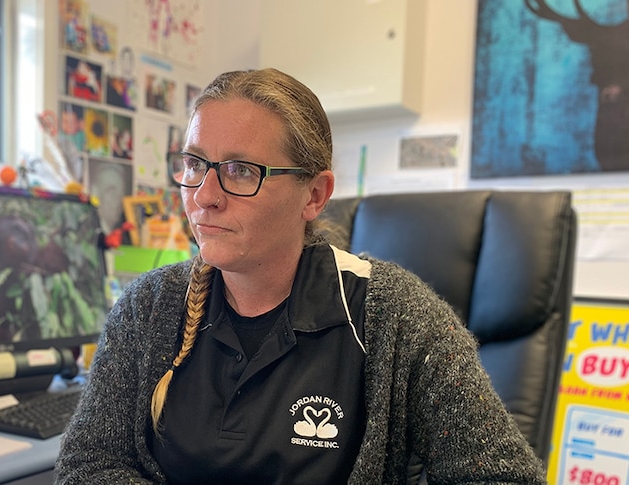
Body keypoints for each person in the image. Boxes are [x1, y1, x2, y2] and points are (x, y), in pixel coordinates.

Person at [55, 68, 548, 484]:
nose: (204, 194)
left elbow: (502, 475)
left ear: (314, 195)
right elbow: (87, 464)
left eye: (241, 171)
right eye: (195, 163)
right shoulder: (149, 307)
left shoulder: (394, 315)